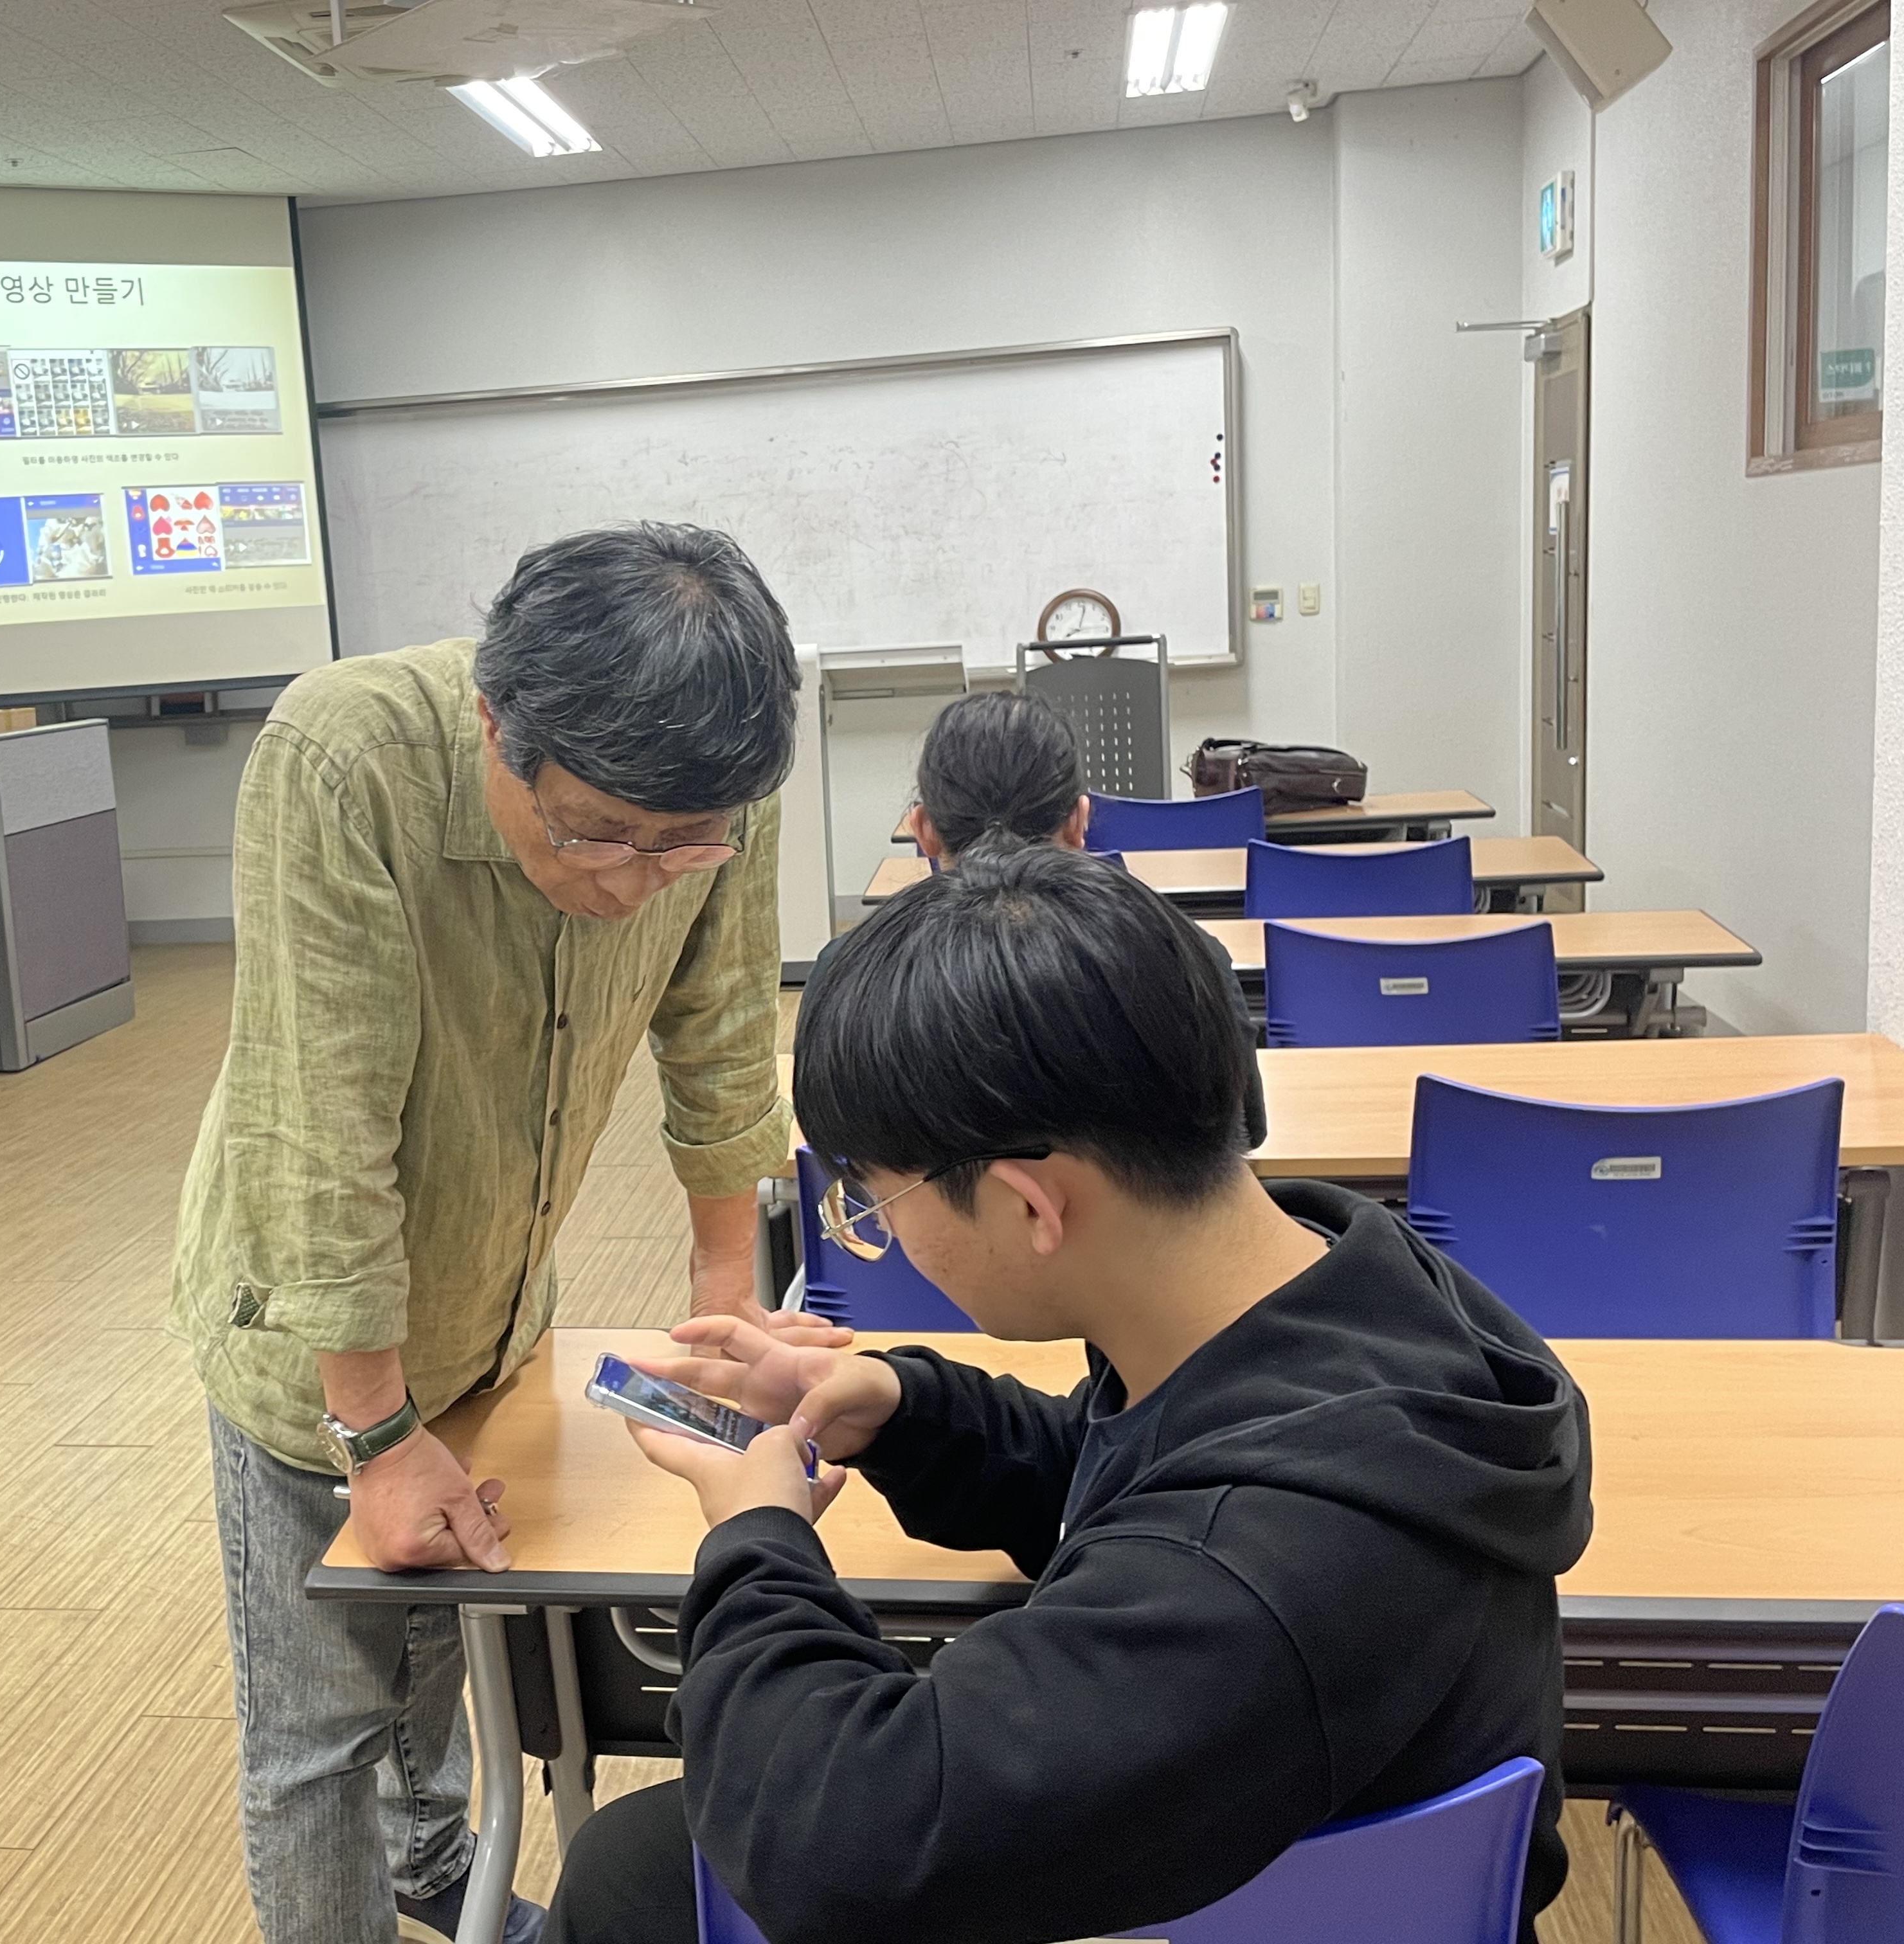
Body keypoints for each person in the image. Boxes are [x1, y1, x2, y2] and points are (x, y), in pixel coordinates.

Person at [545, 844, 1593, 1944]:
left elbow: (839, 1841)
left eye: (877, 1203)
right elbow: (1141, 1478)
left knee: (632, 1879)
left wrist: (756, 1538)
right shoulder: (1345, 1290)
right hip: (1286, 1864)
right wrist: (902, 1408)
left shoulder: (1251, 1569)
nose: (886, 1237)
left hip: (1216, 1915)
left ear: (1031, 1205)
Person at [174, 524, 849, 1944]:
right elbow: (322, 1125)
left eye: (681, 844)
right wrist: (373, 1431)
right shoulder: (346, 759)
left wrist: (725, 1299)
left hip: (494, 1299)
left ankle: (432, 1862)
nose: (634, 880)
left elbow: (725, 1037)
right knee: (322, 1731)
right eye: (594, 831)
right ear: (496, 724)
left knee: (445, 1632)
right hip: (312, 1331)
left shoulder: (720, 780)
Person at [816, 690, 1264, 1145]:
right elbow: (1245, 1133)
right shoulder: (1187, 956)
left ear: (923, 830)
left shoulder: (846, 972)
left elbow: (831, 1144)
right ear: (1078, 823)